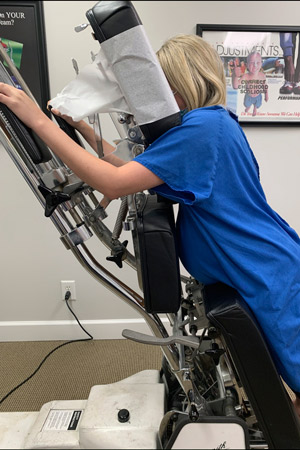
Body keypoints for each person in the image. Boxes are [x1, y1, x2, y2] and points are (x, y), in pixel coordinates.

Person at [0, 34, 300, 418]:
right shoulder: (207, 125)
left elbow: (112, 182)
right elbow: (130, 171)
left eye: (163, 84)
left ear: (183, 81)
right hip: (261, 263)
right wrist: (85, 131)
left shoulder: (201, 130)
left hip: (265, 271)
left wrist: (39, 121)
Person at [232, 51, 269, 116]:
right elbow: (235, 86)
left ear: (261, 64)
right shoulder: (246, 76)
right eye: (252, 63)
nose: (255, 65)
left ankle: (255, 108)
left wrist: (266, 95)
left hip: (258, 96)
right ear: (247, 65)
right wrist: (235, 76)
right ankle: (248, 107)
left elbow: (265, 86)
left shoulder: (262, 75)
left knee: (257, 104)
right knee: (247, 104)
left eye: (257, 62)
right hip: (249, 96)